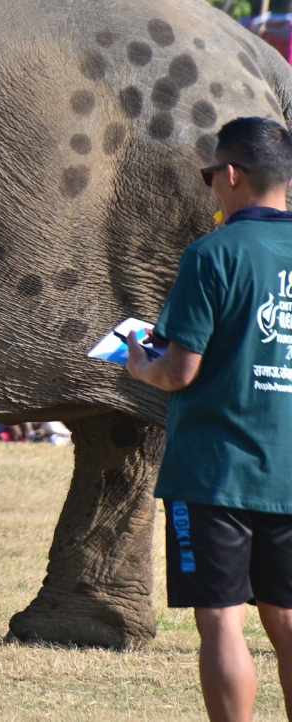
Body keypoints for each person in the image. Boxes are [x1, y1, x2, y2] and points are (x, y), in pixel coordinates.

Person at [128, 116, 292, 722]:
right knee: (287, 614)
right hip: (289, 465)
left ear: (231, 175)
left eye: (208, 177)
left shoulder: (212, 253)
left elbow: (179, 372)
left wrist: (140, 364)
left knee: (223, 619)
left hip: (214, 472)